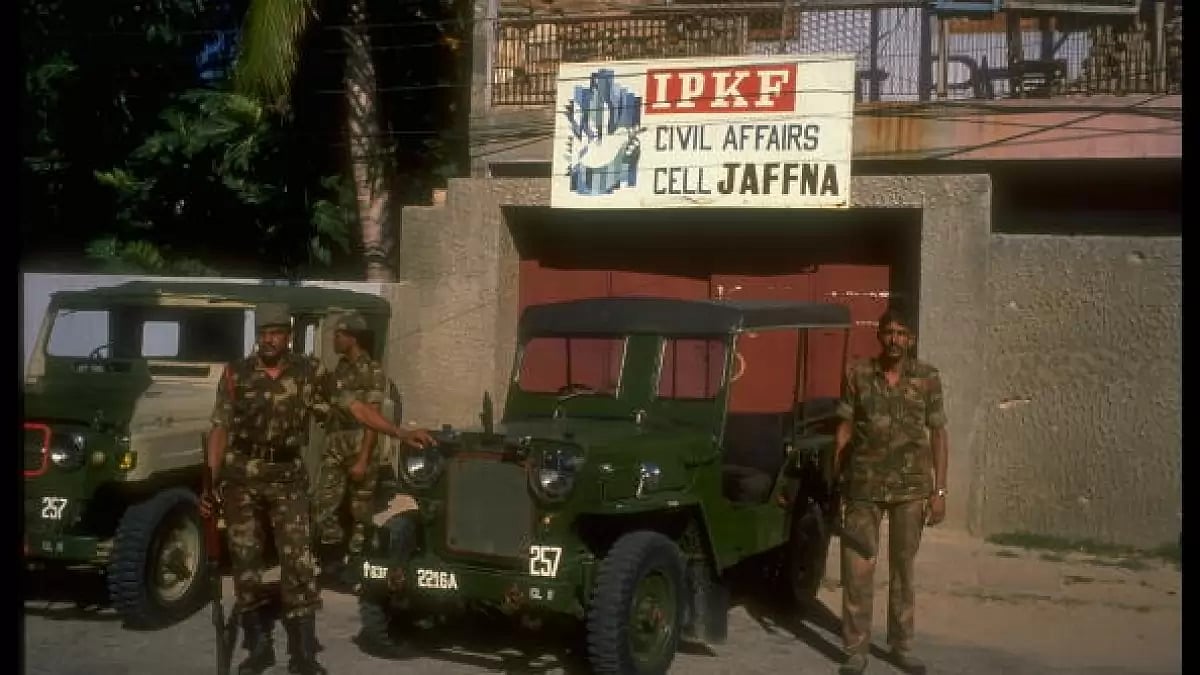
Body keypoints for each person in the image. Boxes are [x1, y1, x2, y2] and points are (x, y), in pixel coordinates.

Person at [200, 303, 434, 675]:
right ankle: (257, 647)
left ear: (287, 335)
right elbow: (219, 427)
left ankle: (303, 656)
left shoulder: (310, 372)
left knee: (298, 564)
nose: (268, 340)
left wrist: (400, 432)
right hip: (241, 475)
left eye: (275, 332)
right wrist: (209, 480)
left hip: (287, 475)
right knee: (246, 564)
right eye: (262, 333)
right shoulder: (237, 374)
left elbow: (355, 407)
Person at [832, 303, 949, 675]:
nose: (895, 339)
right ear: (879, 336)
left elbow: (939, 434)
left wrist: (940, 492)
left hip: (912, 489)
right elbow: (844, 430)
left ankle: (902, 646)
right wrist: (838, 482)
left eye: (902, 333)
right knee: (857, 569)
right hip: (864, 485)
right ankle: (855, 649)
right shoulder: (858, 375)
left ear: (910, 339)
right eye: (889, 332)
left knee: (903, 570)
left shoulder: (927, 377)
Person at [314, 311, 390, 588]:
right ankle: (332, 564)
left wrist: (364, 458)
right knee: (325, 504)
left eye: (338, 334)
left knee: (360, 511)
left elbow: (372, 417)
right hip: (336, 444)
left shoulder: (373, 370)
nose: (334, 338)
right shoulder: (341, 368)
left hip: (360, 445)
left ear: (352, 337)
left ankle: (359, 567)